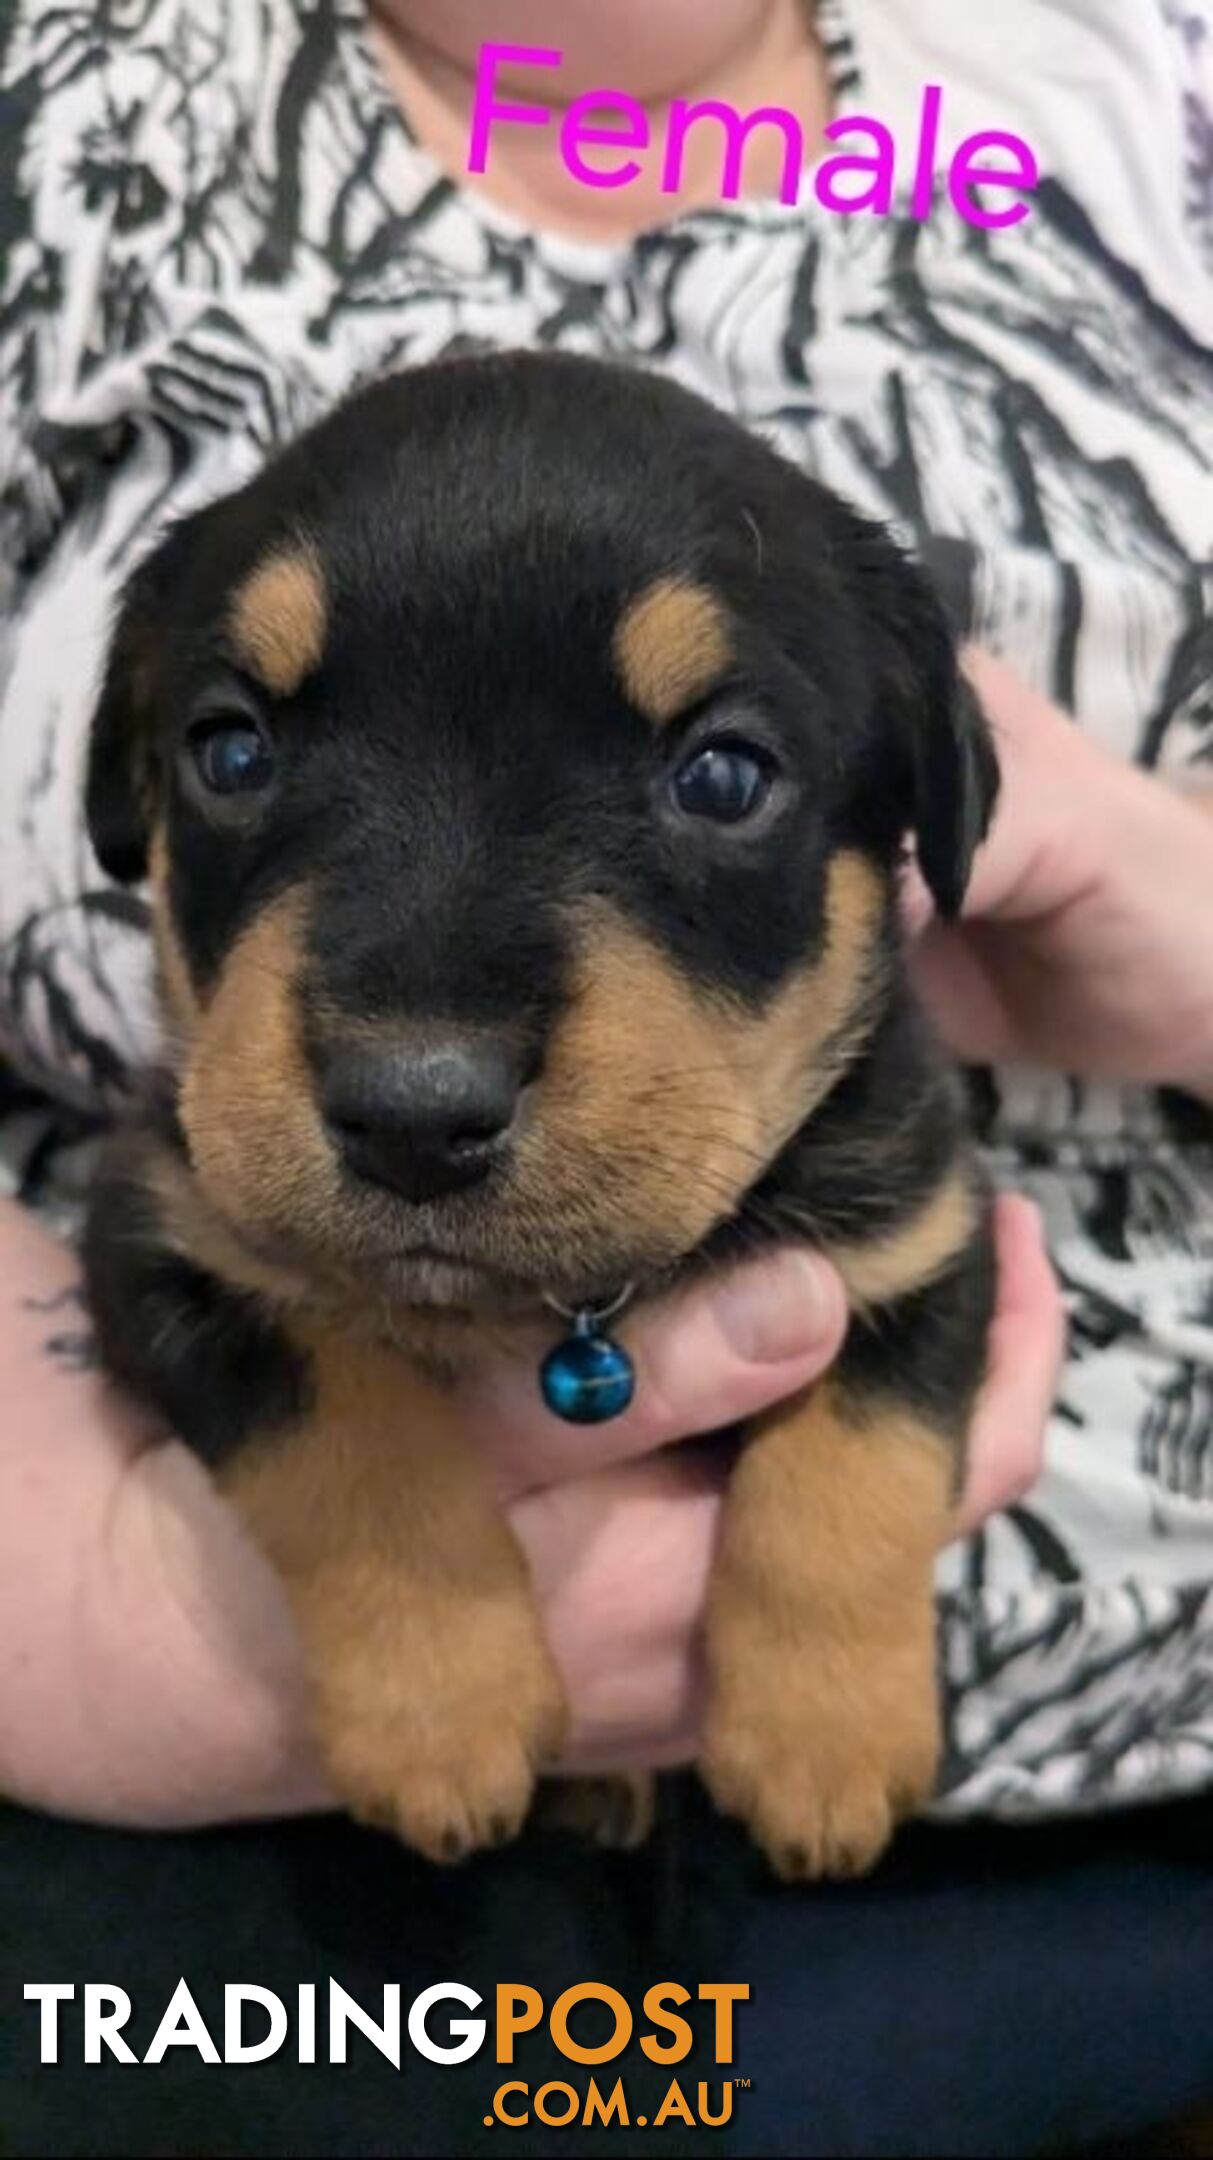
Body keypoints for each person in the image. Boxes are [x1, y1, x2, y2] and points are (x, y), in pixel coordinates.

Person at [0, 3, 1209, 2128]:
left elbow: (911, 1310)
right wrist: (300, 1598)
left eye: (723, 770)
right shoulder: (75, 81)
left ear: (911, 840)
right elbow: (169, 1270)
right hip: (229, 1800)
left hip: (1110, 1775)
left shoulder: (1138, 73)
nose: (422, 1047)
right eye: (238, 745)